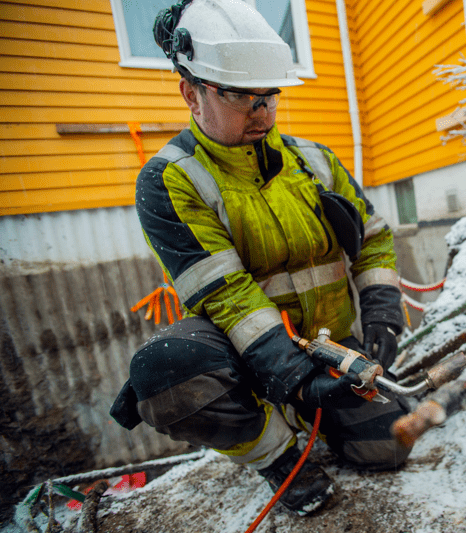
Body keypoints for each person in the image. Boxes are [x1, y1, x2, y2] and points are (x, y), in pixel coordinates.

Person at [110, 0, 411, 516]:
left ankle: (314, 414)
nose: (263, 114)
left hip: (331, 347)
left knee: (386, 448)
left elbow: (375, 235)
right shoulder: (170, 180)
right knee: (166, 373)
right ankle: (278, 453)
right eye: (241, 98)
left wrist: (383, 306)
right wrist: (292, 378)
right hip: (250, 363)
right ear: (192, 92)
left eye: (269, 98)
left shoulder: (315, 160)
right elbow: (228, 295)